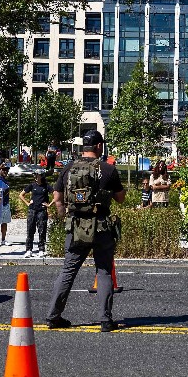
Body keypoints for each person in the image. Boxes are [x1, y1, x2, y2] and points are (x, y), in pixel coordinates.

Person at [47, 130, 125, 331]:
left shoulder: (68, 168)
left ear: (84, 147)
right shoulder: (108, 169)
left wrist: (64, 213)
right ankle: (105, 320)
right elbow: (120, 198)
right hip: (101, 227)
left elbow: (57, 196)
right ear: (99, 146)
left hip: (75, 227)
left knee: (68, 271)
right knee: (104, 271)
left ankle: (53, 316)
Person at [20, 172, 51, 258]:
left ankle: (41, 249)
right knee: (30, 229)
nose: (36, 177)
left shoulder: (46, 186)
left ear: (41, 176)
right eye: (35, 176)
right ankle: (29, 249)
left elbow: (55, 194)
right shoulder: (32, 185)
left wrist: (49, 204)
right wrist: (27, 203)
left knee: (42, 230)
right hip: (32, 210)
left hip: (42, 210)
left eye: (37, 175)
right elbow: (21, 195)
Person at [0, 165, 12, 249]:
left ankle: (3, 239)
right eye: (4, 170)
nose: (5, 172)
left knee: (4, 222)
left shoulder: (5, 180)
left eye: (7, 170)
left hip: (5, 203)